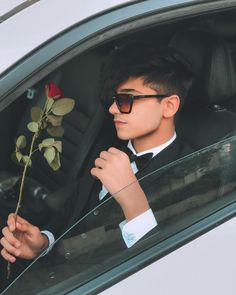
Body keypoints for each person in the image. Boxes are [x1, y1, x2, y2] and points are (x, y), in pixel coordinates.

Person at [1, 42, 193, 265]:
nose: (113, 110)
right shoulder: (108, 149)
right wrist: (43, 243)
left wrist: (132, 199)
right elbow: (70, 212)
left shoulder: (192, 171)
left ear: (169, 106)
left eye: (126, 100)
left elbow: (171, 269)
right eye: (114, 100)